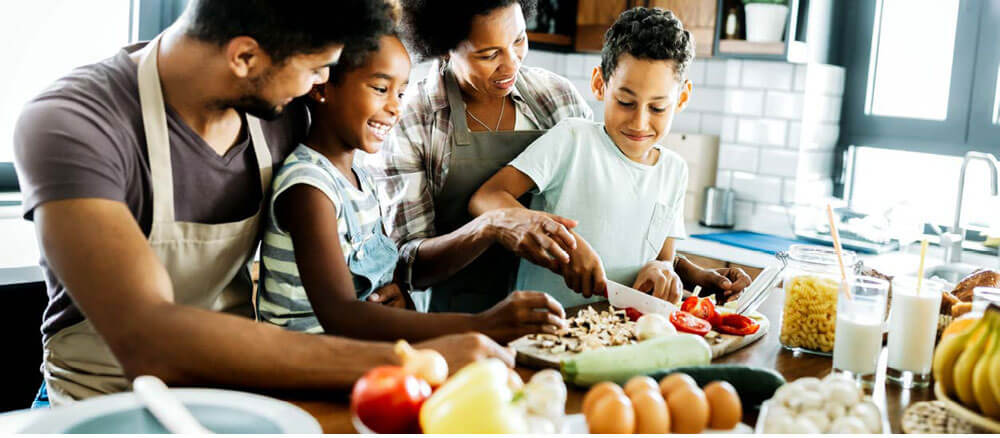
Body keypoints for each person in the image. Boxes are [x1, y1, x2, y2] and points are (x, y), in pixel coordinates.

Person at [13, 0, 512, 407]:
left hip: (232, 397)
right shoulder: (71, 124)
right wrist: (411, 358)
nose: (319, 85)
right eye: (317, 70)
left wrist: (380, 288)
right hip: (99, 402)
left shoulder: (281, 113)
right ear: (245, 58)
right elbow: (148, 338)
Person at [257, 33, 566, 343]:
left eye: (401, 93)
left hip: (354, 351)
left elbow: (371, 288)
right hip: (306, 364)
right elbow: (341, 315)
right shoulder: (309, 189)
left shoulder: (359, 178)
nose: (395, 108)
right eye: (380, 89)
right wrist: (482, 325)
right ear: (322, 86)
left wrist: (397, 294)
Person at [470, 7, 752, 307]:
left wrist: (662, 271)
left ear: (681, 98)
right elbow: (486, 198)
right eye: (626, 101)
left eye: (657, 108)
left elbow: (661, 259)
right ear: (600, 84)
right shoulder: (572, 140)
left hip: (620, 336)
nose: (640, 122)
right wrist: (557, 237)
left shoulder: (674, 171)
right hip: (543, 329)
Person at [367, 0, 594, 314]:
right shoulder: (413, 119)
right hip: (452, 318)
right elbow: (409, 264)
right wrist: (490, 226)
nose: (511, 64)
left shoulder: (557, 98)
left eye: (518, 40)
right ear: (446, 48)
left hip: (556, 311)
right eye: (489, 54)